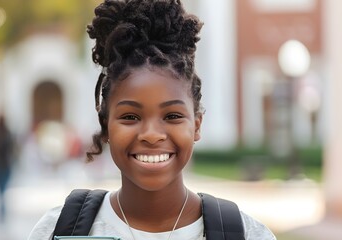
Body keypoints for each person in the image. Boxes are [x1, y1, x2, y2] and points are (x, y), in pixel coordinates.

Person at [28, 0, 276, 239]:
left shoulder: (247, 235)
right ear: (106, 127)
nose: (151, 134)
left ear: (197, 125)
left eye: (172, 116)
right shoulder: (58, 230)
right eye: (130, 116)